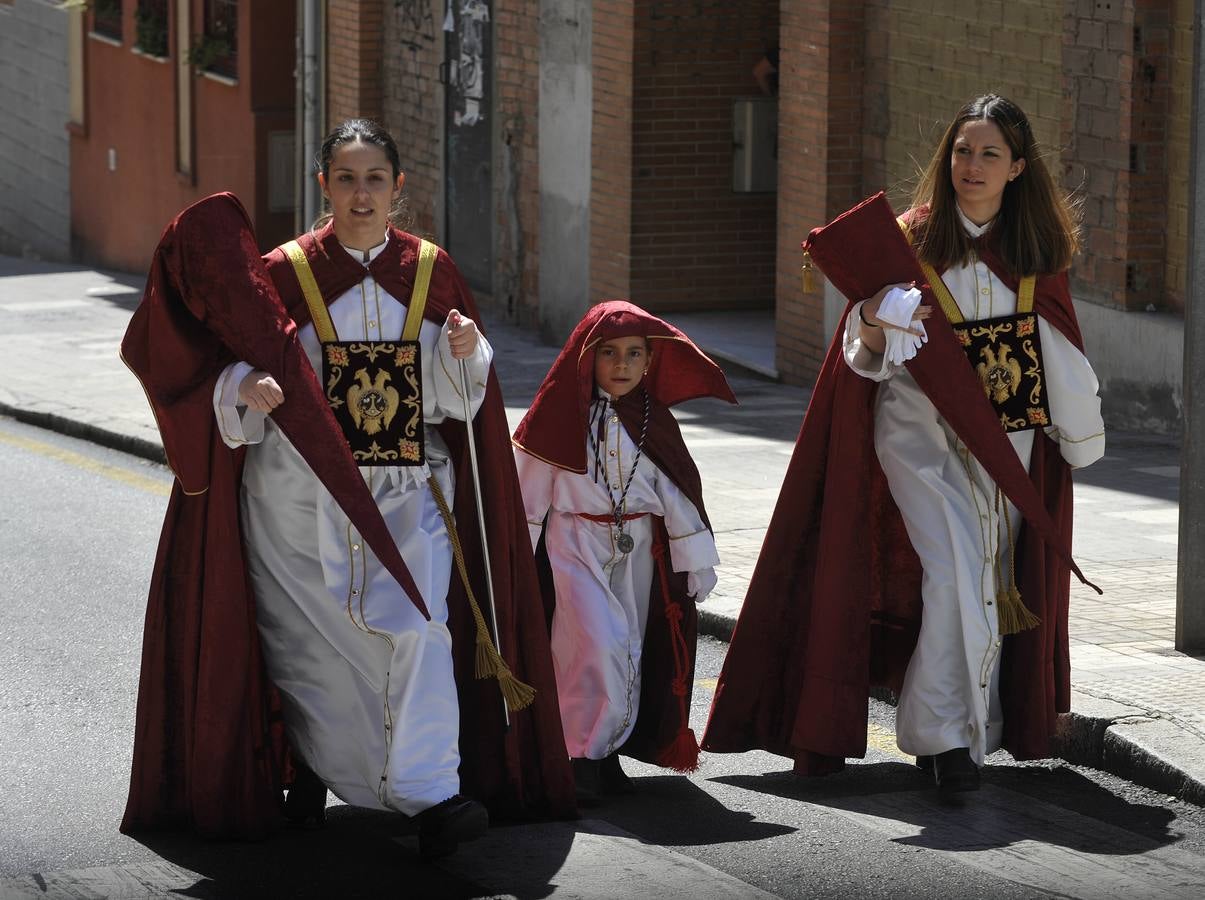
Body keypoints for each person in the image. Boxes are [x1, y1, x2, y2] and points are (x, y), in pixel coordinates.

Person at [119, 119, 575, 855]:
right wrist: (246, 384)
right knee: (315, 652)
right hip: (297, 499)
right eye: (345, 178)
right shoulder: (278, 272)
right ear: (322, 186)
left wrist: (468, 352)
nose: (360, 194)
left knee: (420, 631)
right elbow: (216, 370)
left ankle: (430, 795)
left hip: (406, 490)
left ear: (398, 188)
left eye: (374, 180)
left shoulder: (431, 269)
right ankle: (316, 764)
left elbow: (460, 401)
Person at [702, 94, 1105, 795]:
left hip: (1009, 446)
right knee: (955, 573)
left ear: (1016, 167)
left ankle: (961, 729)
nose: (969, 166)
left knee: (985, 582)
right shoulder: (907, 241)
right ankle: (945, 740)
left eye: (987, 154)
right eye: (959, 150)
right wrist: (873, 317)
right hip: (914, 435)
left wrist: (1075, 430)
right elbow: (859, 358)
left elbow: (1061, 345)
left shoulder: (1036, 253)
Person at [511, 301, 736, 804]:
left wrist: (695, 560)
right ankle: (580, 753)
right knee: (593, 644)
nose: (622, 365)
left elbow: (677, 494)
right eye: (609, 353)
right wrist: (516, 564)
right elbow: (526, 496)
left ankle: (606, 753)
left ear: (650, 361)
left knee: (630, 645)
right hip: (573, 543)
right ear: (585, 358)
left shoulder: (653, 421)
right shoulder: (555, 419)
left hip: (638, 550)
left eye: (635, 354)